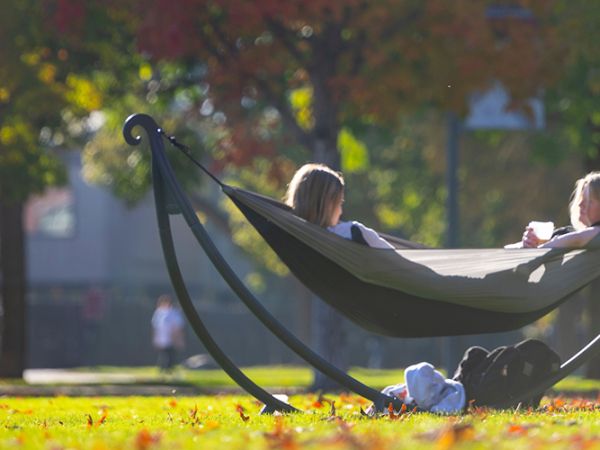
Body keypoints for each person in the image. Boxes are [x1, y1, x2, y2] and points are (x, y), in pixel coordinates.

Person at [284, 163, 394, 249]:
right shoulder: (352, 232)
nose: (341, 212)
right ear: (329, 204)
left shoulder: (291, 237)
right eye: (339, 203)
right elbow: (401, 264)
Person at [520, 172, 600, 249]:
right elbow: (510, 249)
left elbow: (577, 239)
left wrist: (539, 249)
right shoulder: (565, 233)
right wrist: (528, 243)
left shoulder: (592, 235)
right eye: (581, 199)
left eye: (589, 201)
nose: (580, 204)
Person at [151, 294, 185, 373]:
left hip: (171, 338)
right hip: (162, 338)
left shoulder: (174, 313)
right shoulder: (158, 312)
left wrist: (177, 338)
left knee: (170, 355)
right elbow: (155, 326)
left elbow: (178, 326)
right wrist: (155, 338)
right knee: (163, 355)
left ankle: (169, 369)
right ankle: (163, 369)